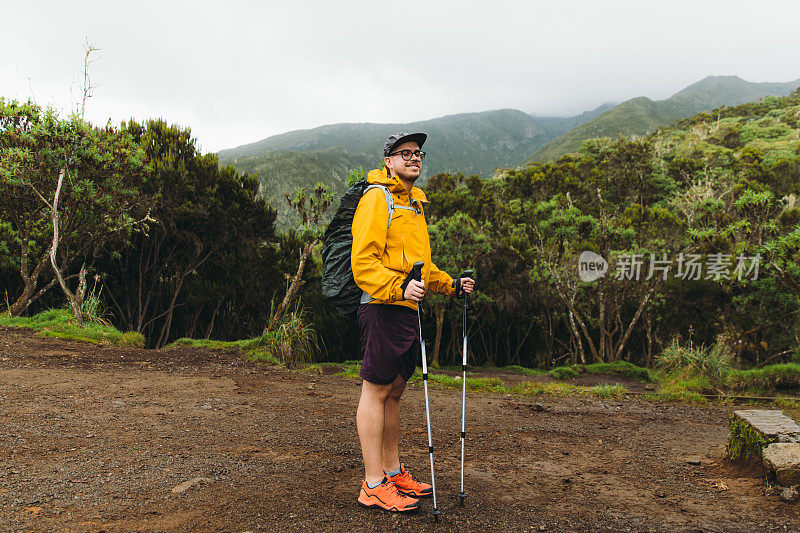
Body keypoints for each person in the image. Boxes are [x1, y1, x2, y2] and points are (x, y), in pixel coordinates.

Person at [351, 131, 475, 512]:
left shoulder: (415, 206)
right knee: (375, 390)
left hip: (409, 308)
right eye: (404, 153)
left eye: (417, 153)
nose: (413, 158)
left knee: (395, 392)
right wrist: (397, 289)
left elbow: (422, 267)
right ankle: (372, 484)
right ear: (388, 160)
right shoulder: (378, 198)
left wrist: (451, 285)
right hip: (382, 305)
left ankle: (391, 471)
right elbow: (363, 261)